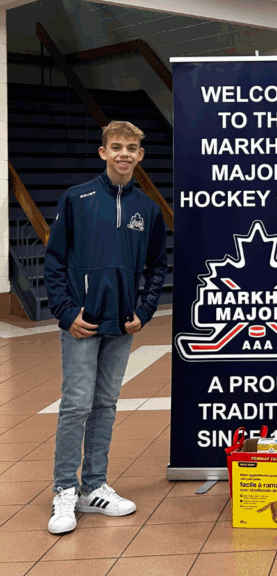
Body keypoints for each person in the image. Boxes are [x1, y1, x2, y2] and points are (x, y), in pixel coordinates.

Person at [43, 120, 168, 534]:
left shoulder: (148, 209)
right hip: (82, 322)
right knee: (77, 404)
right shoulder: (77, 199)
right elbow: (55, 261)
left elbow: (156, 267)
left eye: (131, 148)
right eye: (116, 147)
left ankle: (93, 486)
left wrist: (144, 311)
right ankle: (64, 489)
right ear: (103, 152)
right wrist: (65, 312)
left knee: (106, 404)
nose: (124, 154)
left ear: (140, 155)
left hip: (121, 326)